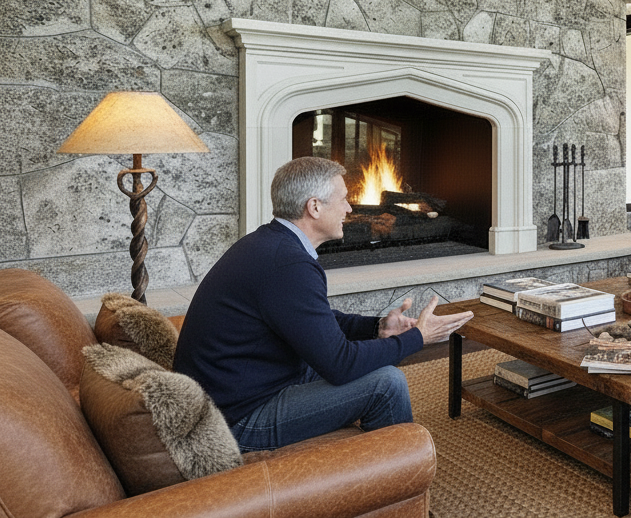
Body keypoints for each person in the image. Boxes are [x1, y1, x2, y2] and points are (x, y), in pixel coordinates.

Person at [174, 156, 474, 451]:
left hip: (245, 387)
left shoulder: (271, 244)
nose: (350, 208)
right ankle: (404, 474)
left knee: (374, 362)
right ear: (314, 207)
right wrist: (417, 337)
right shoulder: (287, 264)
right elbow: (340, 365)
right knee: (386, 383)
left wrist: (377, 327)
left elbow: (314, 319)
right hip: (237, 419)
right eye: (343, 199)